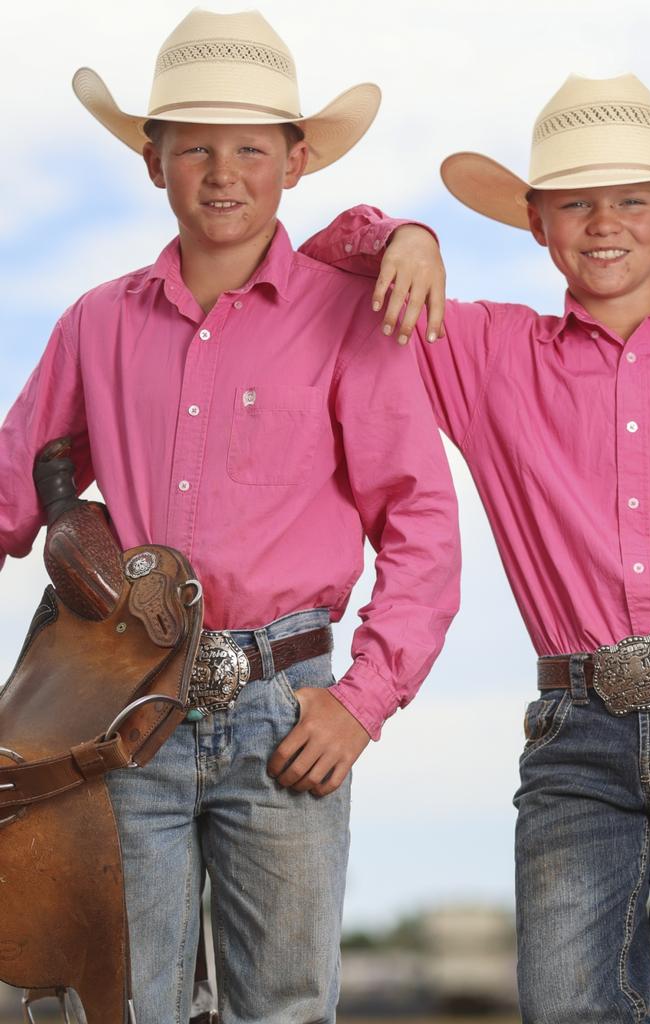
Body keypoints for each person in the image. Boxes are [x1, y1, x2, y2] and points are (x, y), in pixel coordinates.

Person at [0, 10, 460, 1023]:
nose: (223, 172)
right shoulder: (94, 323)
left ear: (296, 162)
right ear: (150, 161)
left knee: (287, 1007)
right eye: (194, 146)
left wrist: (363, 700)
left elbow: (422, 523)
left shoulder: (350, 316)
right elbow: (5, 487)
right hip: (120, 708)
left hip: (288, 709)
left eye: (251, 147)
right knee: (122, 1001)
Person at [301, 73, 650, 1023]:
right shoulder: (486, 352)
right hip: (576, 727)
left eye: (633, 199)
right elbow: (320, 267)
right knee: (562, 1002)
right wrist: (404, 236)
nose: (606, 223)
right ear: (535, 220)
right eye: (576, 202)